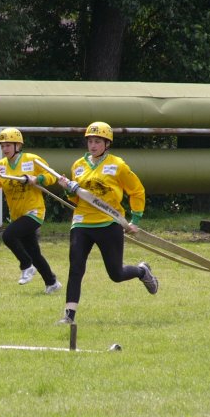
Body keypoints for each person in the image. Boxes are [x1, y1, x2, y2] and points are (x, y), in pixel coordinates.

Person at [56, 121, 158, 324]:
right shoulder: (78, 165)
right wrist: (68, 189)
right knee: (76, 268)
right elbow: (77, 199)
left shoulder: (118, 165)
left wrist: (134, 219)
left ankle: (141, 271)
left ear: (107, 143)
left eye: (97, 141)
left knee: (116, 274)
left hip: (109, 223)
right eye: (90, 141)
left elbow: (137, 191)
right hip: (82, 222)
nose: (93, 145)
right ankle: (69, 315)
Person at [0, 127, 62, 294]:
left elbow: (52, 176)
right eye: (2, 146)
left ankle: (26, 266)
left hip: (34, 211)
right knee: (34, 252)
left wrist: (37, 179)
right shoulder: (0, 166)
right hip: (17, 215)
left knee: (8, 235)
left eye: (8, 145)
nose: (4, 149)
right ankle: (52, 282)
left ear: (18, 145)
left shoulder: (32, 160)